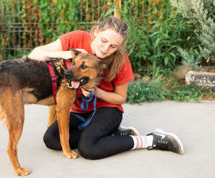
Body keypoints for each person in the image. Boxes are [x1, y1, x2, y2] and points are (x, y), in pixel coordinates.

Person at [28, 17, 184, 160]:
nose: (105, 49)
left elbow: (120, 98)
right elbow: (35, 54)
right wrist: (69, 54)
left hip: (107, 109)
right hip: (80, 111)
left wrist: (97, 92)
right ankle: (109, 134)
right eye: (103, 40)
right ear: (96, 31)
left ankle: (151, 139)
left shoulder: (120, 60)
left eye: (113, 46)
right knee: (51, 139)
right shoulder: (76, 38)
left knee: (88, 149)